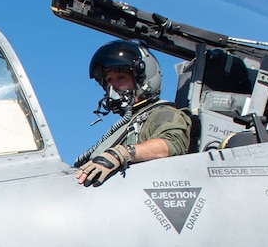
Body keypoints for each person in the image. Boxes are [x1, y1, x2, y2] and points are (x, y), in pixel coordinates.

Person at [74, 39, 197, 187]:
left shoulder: (163, 112)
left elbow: (172, 144)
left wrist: (122, 153)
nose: (112, 87)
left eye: (121, 78)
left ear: (143, 80)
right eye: (108, 80)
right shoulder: (128, 124)